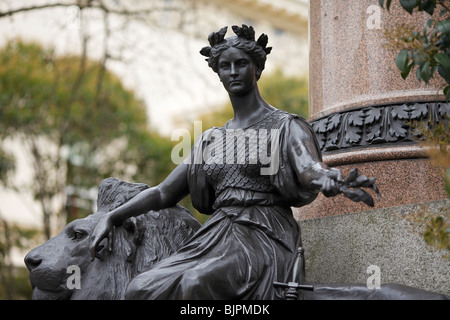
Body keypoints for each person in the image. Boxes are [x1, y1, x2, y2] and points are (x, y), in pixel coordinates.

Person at [89, 25, 346, 299]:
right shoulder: (211, 139)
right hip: (216, 234)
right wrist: (112, 215)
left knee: (195, 283)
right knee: (140, 288)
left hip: (263, 233)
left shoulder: (286, 126)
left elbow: (309, 169)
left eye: (241, 64)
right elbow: (164, 192)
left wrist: (326, 176)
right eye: (225, 66)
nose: (233, 71)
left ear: (257, 69)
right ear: (218, 73)